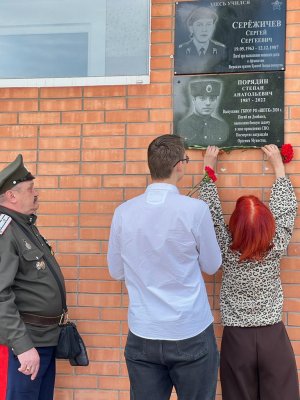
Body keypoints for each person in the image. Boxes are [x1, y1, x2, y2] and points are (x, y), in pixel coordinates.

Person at [107, 134, 222, 400]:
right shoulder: (195, 210)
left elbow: (116, 271)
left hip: (143, 330)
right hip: (189, 328)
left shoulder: (123, 212)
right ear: (180, 165)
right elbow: (212, 264)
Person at [198, 145, 299, 400]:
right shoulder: (275, 244)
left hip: (236, 340)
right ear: (267, 223)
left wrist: (208, 167)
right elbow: (286, 210)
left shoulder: (224, 246)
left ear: (234, 225)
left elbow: (208, 213)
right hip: (272, 337)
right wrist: (278, 166)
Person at [0, 154, 66, 400]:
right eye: (30, 189)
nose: (36, 193)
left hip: (43, 339)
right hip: (26, 342)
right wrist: (23, 345)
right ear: (12, 196)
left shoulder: (25, 226)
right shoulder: (5, 230)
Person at [177, 80, 229, 148]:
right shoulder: (183, 125)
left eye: (212, 99)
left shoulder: (222, 126)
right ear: (193, 100)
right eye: (202, 98)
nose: (208, 103)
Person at [175, 7, 227, 74]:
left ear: (213, 27)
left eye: (208, 24)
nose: (204, 30)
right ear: (191, 28)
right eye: (199, 25)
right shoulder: (181, 50)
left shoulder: (221, 49)